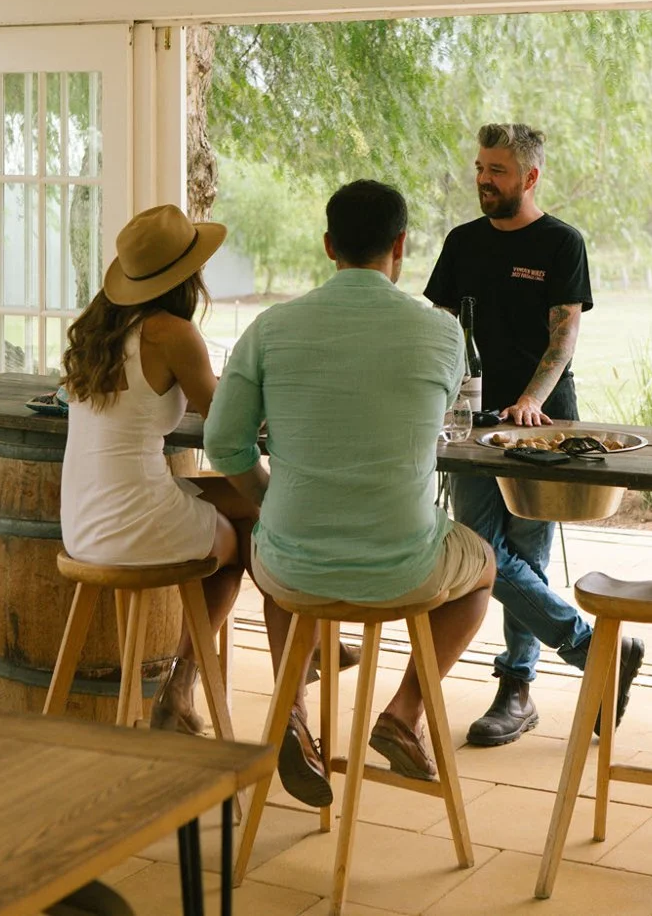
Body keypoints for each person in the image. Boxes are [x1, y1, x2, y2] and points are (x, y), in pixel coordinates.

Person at [205, 179, 496, 804]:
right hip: (405, 570)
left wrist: (267, 496)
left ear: (329, 245)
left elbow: (224, 442)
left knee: (286, 559)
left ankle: (293, 715)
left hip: (293, 562)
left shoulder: (271, 327)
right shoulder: (443, 335)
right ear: (401, 244)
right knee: (485, 567)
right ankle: (402, 712)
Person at [424, 123, 644, 746]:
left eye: (496, 170)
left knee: (524, 551)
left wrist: (527, 401)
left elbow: (564, 334)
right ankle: (594, 648)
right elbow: (442, 331)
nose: (483, 180)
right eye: (480, 167)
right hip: (471, 423)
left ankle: (515, 689)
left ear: (530, 177)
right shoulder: (461, 242)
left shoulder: (561, 242)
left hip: (543, 424)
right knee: (480, 549)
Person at [60, 203, 259, 734]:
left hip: (82, 521)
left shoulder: (100, 331)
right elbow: (226, 423)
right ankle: (182, 687)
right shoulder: (172, 333)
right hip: (132, 519)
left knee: (249, 503)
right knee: (245, 533)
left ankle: (195, 688)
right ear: (186, 276)